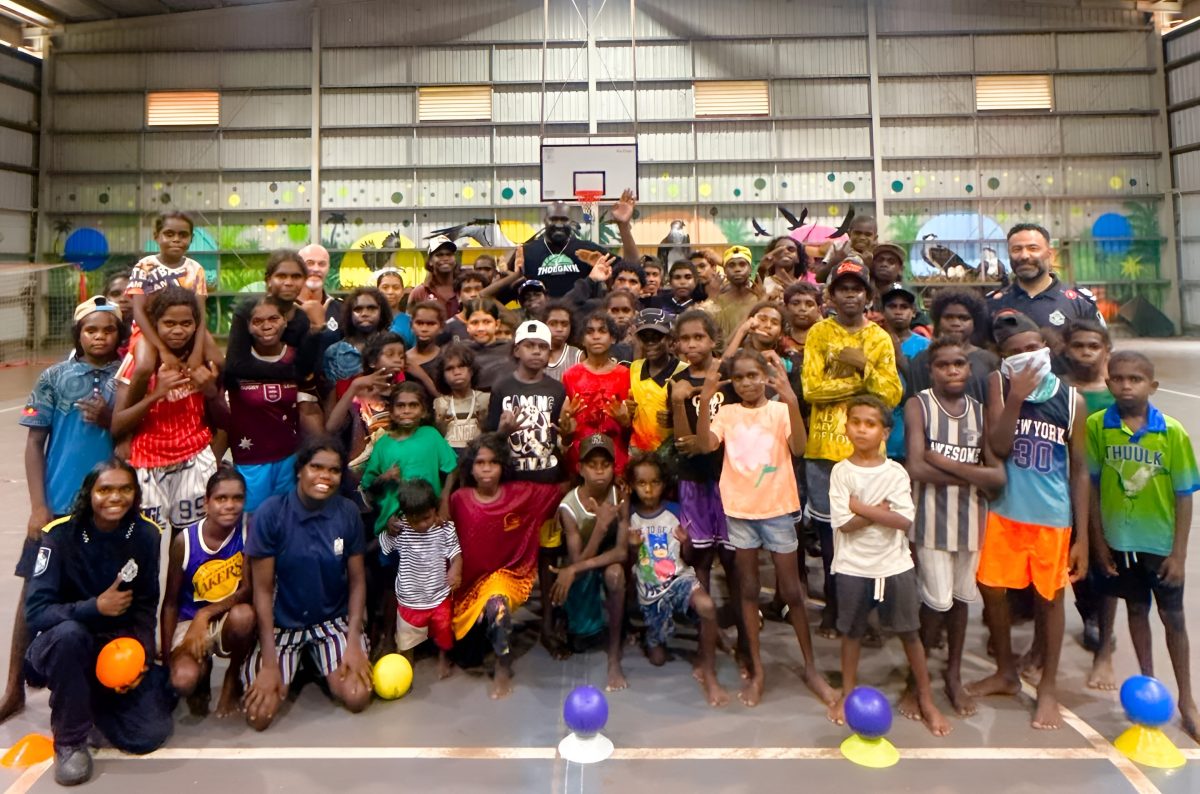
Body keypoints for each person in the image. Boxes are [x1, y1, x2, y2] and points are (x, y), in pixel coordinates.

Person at [1, 297, 125, 724]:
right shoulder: (54, 377)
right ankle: (14, 685)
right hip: (58, 507)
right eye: (91, 329)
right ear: (79, 333)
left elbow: (129, 434)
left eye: (108, 329)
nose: (100, 336)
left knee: (105, 591)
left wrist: (112, 418)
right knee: (32, 593)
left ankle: (106, 682)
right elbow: (35, 444)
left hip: (110, 507)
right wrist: (39, 505)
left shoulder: (127, 377)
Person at [968, 310, 1088, 730]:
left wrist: (1082, 537)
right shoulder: (999, 386)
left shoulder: (1072, 400)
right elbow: (998, 448)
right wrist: (1016, 395)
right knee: (992, 590)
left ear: (1046, 349)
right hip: (1004, 512)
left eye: (1032, 348)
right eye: (1014, 352)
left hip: (1051, 518)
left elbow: (1078, 472)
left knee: (1050, 599)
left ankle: (1049, 688)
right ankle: (1005, 671)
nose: (1025, 356)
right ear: (1003, 360)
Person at [695, 349, 834, 709]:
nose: (746, 383)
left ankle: (811, 669)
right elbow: (704, 445)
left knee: (791, 591)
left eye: (753, 375)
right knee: (749, 589)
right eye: (739, 377)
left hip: (777, 509)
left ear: (765, 376)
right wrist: (706, 399)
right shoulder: (726, 413)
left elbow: (799, 448)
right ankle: (758, 672)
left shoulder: (778, 410)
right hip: (740, 511)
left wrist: (792, 402)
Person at [24, 460, 174, 785]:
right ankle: (69, 740)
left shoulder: (147, 534)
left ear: (135, 494)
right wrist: (95, 607)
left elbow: (147, 604)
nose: (115, 498)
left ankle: (86, 700)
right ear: (89, 493)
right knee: (70, 635)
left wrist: (142, 655)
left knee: (148, 735)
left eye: (124, 489)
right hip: (61, 643)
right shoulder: (58, 536)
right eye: (105, 489)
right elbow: (36, 612)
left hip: (113, 646)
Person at [1085, 352, 1200, 741]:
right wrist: (1098, 542)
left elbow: (1184, 495)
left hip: (1159, 544)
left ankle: (1187, 701)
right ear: (1108, 382)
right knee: (1136, 610)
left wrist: (1179, 554)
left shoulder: (1173, 433)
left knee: (1174, 620)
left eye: (1135, 379)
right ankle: (1150, 684)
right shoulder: (1099, 426)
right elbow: (1094, 486)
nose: (1125, 385)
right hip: (1120, 543)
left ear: (1152, 386)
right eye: (1117, 378)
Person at [826, 396, 950, 737]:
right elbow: (843, 523)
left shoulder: (895, 472)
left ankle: (925, 698)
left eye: (870, 423)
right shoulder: (841, 472)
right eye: (856, 422)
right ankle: (849, 693)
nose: (862, 429)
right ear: (847, 426)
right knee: (850, 633)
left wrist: (861, 508)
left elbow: (904, 521)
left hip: (895, 565)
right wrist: (877, 511)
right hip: (852, 565)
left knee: (910, 633)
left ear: (885, 431)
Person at [904, 339, 1006, 717]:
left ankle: (952, 675)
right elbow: (915, 467)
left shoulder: (981, 412)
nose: (952, 370)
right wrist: (973, 477)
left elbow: (997, 476)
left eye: (959, 364)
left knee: (961, 600)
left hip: (971, 524)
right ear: (932, 370)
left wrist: (942, 462)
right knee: (934, 603)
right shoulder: (919, 405)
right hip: (930, 522)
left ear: (969, 368)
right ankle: (916, 682)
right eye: (943, 365)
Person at [802, 258, 903, 637]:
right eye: (842, 288)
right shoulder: (818, 334)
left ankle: (868, 610)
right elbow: (811, 390)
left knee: (870, 534)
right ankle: (833, 605)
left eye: (856, 288)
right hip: (824, 451)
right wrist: (861, 384)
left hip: (868, 456)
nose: (849, 294)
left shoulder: (878, 338)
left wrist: (863, 367)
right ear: (831, 295)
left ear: (867, 295)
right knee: (831, 538)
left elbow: (892, 393)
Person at [242, 437, 372, 730]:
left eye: (334, 470)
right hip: (281, 626)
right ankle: (295, 664)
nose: (325, 476)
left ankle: (317, 661)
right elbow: (262, 592)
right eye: (316, 467)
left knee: (357, 696)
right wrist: (271, 664)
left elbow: (357, 582)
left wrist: (353, 642)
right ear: (300, 470)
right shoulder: (271, 513)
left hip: (331, 621)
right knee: (259, 717)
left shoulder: (347, 513)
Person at [450, 434, 564, 698]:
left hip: (507, 577)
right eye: (480, 463)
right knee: (468, 655)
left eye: (493, 462)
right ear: (470, 467)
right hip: (468, 587)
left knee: (497, 605)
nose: (487, 468)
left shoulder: (522, 494)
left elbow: (560, 490)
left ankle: (503, 668)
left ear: (503, 466)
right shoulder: (459, 499)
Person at [669, 310, 747, 673]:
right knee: (700, 559)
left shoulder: (731, 378)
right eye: (684, 339)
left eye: (698, 337)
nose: (691, 345)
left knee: (734, 561)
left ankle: (744, 635)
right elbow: (685, 444)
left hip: (731, 480)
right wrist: (677, 400)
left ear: (713, 340)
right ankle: (707, 637)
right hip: (695, 480)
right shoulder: (679, 381)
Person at [112, 287, 221, 535]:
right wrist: (158, 393)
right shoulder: (140, 361)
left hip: (194, 458)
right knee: (146, 538)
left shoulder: (202, 357)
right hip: (148, 462)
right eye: (169, 323)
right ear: (154, 324)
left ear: (196, 325)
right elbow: (118, 424)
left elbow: (223, 413)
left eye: (186, 323)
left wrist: (210, 388)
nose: (178, 330)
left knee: (189, 539)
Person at [626, 452, 728, 707]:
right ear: (632, 485)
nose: (649, 489)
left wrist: (687, 543)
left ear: (664, 484)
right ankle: (649, 637)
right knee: (658, 658)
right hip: (652, 593)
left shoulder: (676, 511)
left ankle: (709, 670)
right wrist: (631, 547)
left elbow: (689, 558)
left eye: (655, 482)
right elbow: (627, 563)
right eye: (642, 483)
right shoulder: (630, 516)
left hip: (680, 580)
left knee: (707, 606)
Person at [160, 467, 255, 718]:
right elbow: (170, 603)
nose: (230, 505)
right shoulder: (185, 541)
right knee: (183, 680)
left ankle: (232, 679)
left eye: (237, 499)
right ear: (206, 502)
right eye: (221, 498)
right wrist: (168, 659)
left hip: (227, 617)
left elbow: (247, 590)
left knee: (245, 616)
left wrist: (206, 615)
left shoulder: (248, 531)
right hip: (190, 620)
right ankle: (201, 674)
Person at [222, 295, 324, 512]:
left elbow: (309, 406)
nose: (267, 326)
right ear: (247, 326)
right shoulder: (236, 362)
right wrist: (214, 459)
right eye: (257, 322)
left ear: (285, 320)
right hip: (251, 461)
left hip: (290, 458)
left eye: (273, 318)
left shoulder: (296, 357)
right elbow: (223, 416)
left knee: (287, 523)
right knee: (253, 526)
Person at [549, 434, 629, 691]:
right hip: (585, 564)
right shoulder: (568, 508)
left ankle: (614, 656)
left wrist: (572, 569)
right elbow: (577, 560)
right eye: (592, 465)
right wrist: (600, 528)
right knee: (580, 641)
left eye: (605, 465)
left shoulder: (621, 496)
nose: (599, 471)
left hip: (608, 562)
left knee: (615, 574)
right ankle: (573, 620)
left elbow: (620, 553)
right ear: (580, 469)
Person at [1062, 319, 1115, 652]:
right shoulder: (1060, 389)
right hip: (1068, 485)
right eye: (1078, 345)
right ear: (1067, 349)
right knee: (1076, 555)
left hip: (1109, 489)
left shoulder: (1116, 391)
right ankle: (1088, 617)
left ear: (1106, 350)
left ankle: (1104, 621)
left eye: (1093, 346)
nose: (1085, 352)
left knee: (1104, 558)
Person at [380, 478, 462, 681]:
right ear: (405, 516)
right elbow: (384, 547)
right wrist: (389, 527)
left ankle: (444, 656)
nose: (422, 524)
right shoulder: (402, 529)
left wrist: (456, 571)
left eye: (426, 517)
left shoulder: (445, 528)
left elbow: (456, 554)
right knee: (406, 638)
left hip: (439, 595)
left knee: (444, 631)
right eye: (415, 520)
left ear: (435, 510)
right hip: (409, 598)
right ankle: (406, 660)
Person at [124, 210, 219, 376]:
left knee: (219, 361)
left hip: (186, 328)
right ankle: (130, 402)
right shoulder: (144, 266)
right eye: (169, 234)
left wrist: (197, 352)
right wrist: (162, 350)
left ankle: (215, 399)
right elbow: (138, 312)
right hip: (149, 329)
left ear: (191, 239)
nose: (176, 239)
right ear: (157, 236)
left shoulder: (196, 269)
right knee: (144, 367)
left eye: (183, 235)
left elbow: (201, 315)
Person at [360, 383, 458, 536]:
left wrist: (445, 501)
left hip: (429, 519)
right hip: (396, 524)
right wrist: (384, 477)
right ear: (391, 412)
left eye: (413, 405)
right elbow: (368, 486)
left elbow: (452, 468)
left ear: (423, 411)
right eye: (400, 406)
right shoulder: (382, 445)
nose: (406, 411)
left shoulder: (431, 435)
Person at [987, 223, 1104, 344]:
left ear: (1050, 254)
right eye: (1017, 249)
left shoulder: (1080, 302)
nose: (1024, 256)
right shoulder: (993, 303)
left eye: (1033, 248)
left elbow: (1099, 350)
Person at [519, 191, 639, 298]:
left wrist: (623, 226)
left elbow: (631, 267)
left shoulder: (587, 250)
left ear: (571, 222)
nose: (559, 224)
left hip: (581, 317)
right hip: (540, 318)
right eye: (554, 219)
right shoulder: (527, 252)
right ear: (545, 221)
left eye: (563, 219)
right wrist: (513, 275)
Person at [563, 311, 632, 475]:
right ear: (581, 339)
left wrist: (625, 423)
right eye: (590, 331)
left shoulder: (625, 374)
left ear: (613, 337)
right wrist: (566, 429)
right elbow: (566, 429)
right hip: (580, 461)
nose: (596, 336)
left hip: (617, 460)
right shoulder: (570, 375)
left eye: (602, 331)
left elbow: (631, 428)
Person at [908, 288, 999, 402]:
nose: (956, 323)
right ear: (938, 320)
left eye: (963, 318)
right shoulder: (922, 360)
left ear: (974, 322)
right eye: (949, 317)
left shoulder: (989, 360)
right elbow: (914, 401)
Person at [881, 284, 930, 462]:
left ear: (914, 312)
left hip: (912, 439)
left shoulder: (926, 346)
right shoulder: (873, 340)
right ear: (883, 311)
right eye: (892, 306)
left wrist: (900, 358)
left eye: (904, 307)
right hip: (879, 439)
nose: (898, 311)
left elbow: (926, 388)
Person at [628, 308, 685, 456]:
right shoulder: (634, 368)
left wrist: (675, 419)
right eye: (645, 338)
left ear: (670, 339)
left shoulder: (683, 372)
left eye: (657, 337)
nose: (651, 343)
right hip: (637, 451)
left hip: (670, 453)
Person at [322, 287, 393, 397]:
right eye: (358, 309)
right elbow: (331, 399)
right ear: (349, 315)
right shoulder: (334, 353)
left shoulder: (392, 347)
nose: (364, 313)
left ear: (382, 312)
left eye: (371, 308)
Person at [433, 340, 490, 450]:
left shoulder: (485, 399)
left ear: (472, 370)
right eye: (450, 368)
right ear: (442, 375)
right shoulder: (440, 403)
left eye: (462, 366)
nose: (457, 372)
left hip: (477, 455)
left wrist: (484, 423)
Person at [705, 245, 762, 345]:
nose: (737, 269)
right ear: (725, 270)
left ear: (750, 269)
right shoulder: (717, 302)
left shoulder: (759, 299)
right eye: (731, 265)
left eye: (742, 264)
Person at [462, 298, 515, 391]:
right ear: (467, 326)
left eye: (487, 322)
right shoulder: (460, 353)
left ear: (497, 324)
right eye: (474, 323)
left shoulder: (513, 350)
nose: (480, 328)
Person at [407, 236, 461, 318]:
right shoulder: (419, 292)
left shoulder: (463, 288)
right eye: (440, 255)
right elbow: (409, 323)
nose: (445, 258)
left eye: (449, 254)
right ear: (430, 261)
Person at [815, 214, 878, 283]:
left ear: (875, 238)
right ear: (849, 233)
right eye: (857, 233)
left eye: (868, 234)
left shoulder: (878, 253)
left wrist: (868, 265)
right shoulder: (838, 247)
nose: (862, 238)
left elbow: (879, 284)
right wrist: (836, 260)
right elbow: (819, 278)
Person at [298, 243, 344, 334]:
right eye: (310, 263)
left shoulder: (341, 309)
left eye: (322, 264)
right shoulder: (286, 308)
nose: (316, 269)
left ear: (328, 268)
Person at [443, 269, 489, 341]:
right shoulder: (447, 327)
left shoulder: (493, 323)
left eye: (478, 289)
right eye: (467, 290)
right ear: (458, 296)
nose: (473, 294)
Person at [781, 281, 822, 359]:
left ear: (819, 310)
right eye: (796, 303)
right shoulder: (777, 341)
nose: (802, 309)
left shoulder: (828, 341)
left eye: (809, 304)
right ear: (785, 308)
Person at [544, 300, 583, 381]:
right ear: (543, 325)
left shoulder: (578, 356)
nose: (559, 329)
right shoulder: (535, 354)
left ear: (571, 327)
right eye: (553, 324)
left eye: (564, 324)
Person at [376, 268, 415, 348]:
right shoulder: (369, 320)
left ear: (403, 292)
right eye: (385, 287)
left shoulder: (411, 323)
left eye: (396, 287)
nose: (390, 292)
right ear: (377, 291)